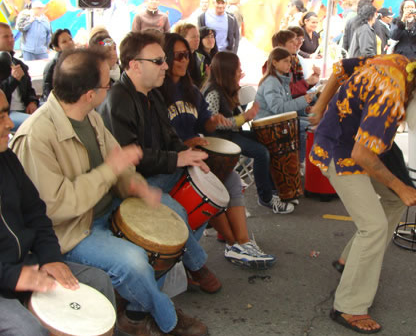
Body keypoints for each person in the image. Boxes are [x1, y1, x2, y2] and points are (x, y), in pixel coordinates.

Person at [10, 48, 209, 336]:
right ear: (90, 94)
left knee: (175, 218)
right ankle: (163, 317)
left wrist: (136, 186)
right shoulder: (37, 136)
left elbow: (120, 165)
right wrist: (110, 170)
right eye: (107, 83)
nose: (111, 86)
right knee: (134, 262)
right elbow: (57, 206)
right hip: (73, 230)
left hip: (109, 209)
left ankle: (136, 313)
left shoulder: (90, 117)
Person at [308, 51, 416, 333]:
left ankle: (349, 261)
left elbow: (341, 68)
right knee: (375, 227)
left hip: (356, 144)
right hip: (341, 151)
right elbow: (362, 154)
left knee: (394, 201)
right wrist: (400, 185)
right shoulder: (390, 94)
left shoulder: (400, 62)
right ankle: (349, 306)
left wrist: (320, 105)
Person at [0, 90, 119, 336]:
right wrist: (12, 276)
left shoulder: (6, 159)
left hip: (24, 265)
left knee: (98, 283)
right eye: (0, 116)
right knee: (27, 334)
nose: (9, 123)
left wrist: (50, 258)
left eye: (6, 113)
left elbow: (36, 213)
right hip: (7, 277)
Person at [98, 31, 223, 295]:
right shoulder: (118, 99)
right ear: (134, 65)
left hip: (157, 172)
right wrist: (177, 158)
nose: (165, 66)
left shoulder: (152, 94)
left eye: (164, 60)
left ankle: (179, 263)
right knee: (176, 211)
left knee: (208, 197)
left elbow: (170, 136)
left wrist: (187, 155)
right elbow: (131, 157)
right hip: (129, 184)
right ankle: (195, 266)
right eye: (158, 61)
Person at [160, 38, 276, 268]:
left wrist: (213, 121)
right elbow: (159, 135)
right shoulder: (157, 93)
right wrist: (185, 144)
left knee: (232, 178)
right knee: (212, 184)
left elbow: (205, 123)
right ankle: (234, 243)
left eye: (187, 55)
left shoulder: (191, 90)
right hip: (174, 158)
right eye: (178, 56)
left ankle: (242, 242)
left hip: (196, 154)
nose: (184, 60)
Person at [203, 50, 295, 214]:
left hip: (231, 134)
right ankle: (266, 198)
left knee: (270, 141)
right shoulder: (213, 92)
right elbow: (214, 125)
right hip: (220, 140)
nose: (241, 71)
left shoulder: (226, 87)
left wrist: (245, 116)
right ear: (227, 71)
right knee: (261, 153)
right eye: (238, 69)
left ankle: (275, 190)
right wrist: (244, 117)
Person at [255, 47, 314, 162]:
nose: (289, 65)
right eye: (286, 61)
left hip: (277, 120)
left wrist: (305, 109)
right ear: (274, 63)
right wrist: (303, 100)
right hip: (268, 125)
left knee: (312, 122)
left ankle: (298, 161)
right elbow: (279, 108)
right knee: (308, 128)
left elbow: (286, 106)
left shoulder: (281, 80)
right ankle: (298, 163)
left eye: (290, 61)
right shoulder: (272, 82)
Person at [0, 22, 38, 130]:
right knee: (36, 123)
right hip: (7, 113)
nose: (11, 40)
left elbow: (30, 90)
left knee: (55, 111)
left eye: (12, 36)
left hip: (25, 108)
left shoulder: (18, 63)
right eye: (6, 37)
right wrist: (13, 80)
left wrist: (32, 101)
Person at [272, 29, 319, 98]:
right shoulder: (276, 65)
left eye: (295, 40)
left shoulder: (294, 61)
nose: (296, 43)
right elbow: (287, 91)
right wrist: (307, 82)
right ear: (280, 45)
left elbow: (300, 88)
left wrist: (314, 78)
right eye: (291, 41)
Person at [41, 28, 74, 100]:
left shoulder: (79, 62)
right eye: (64, 42)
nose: (70, 43)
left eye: (70, 39)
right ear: (57, 48)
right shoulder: (52, 66)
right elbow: (47, 92)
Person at [173, 22, 205, 87]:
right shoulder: (178, 58)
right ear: (183, 39)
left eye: (198, 36)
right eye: (193, 37)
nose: (197, 40)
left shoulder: (200, 57)